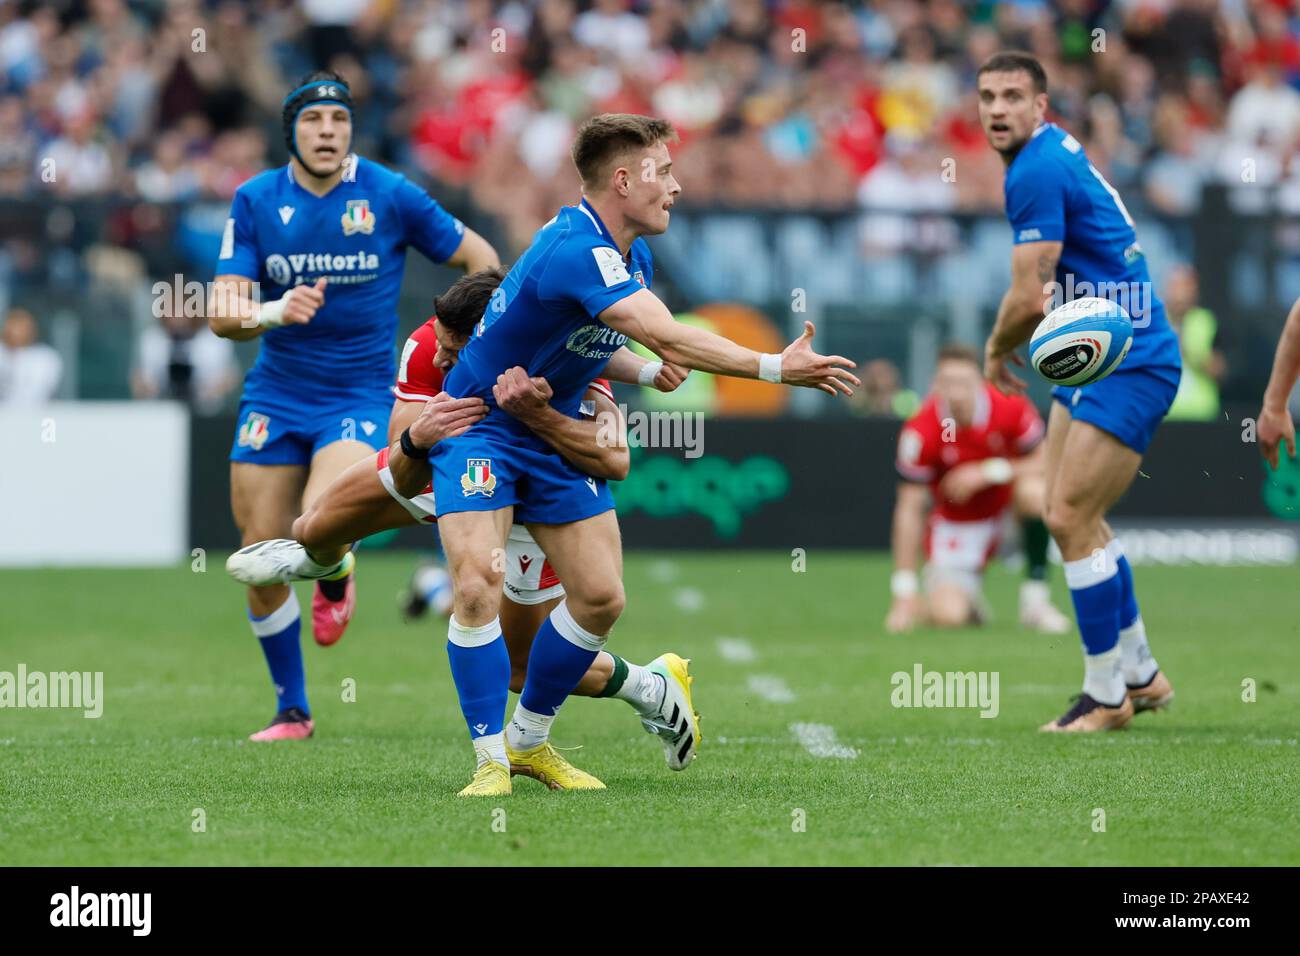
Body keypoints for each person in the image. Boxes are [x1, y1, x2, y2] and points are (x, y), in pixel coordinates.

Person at [428, 113, 859, 796]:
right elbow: (674, 337)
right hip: (481, 424)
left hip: (548, 426)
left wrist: (639, 370)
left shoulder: (629, 253)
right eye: (663, 172)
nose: (677, 187)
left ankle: (528, 744)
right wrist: (777, 366)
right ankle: (489, 763)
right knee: (477, 583)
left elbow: (598, 335)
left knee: (599, 597)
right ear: (623, 181)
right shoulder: (577, 247)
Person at [227, 269, 694, 778]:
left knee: (522, 668)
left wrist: (567, 409)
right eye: (442, 345)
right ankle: (329, 567)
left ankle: (650, 687)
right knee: (311, 526)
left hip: (529, 499)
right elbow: (405, 467)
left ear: (496, 335)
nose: (443, 358)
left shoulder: (560, 351)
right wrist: (419, 436)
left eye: (456, 349)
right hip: (445, 472)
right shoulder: (426, 344)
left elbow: (615, 458)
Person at [206, 70, 500, 741]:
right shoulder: (254, 200)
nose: (328, 131)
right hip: (275, 394)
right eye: (313, 121)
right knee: (259, 551)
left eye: (339, 121)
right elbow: (222, 313)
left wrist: (476, 336)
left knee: (315, 519)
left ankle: (335, 572)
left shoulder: (389, 192)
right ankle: (292, 710)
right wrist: (276, 308)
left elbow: (476, 255)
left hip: (356, 391)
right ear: (292, 132)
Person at [978, 52, 1180, 733]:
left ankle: (1105, 695)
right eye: (987, 97)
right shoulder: (1049, 153)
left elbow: (1030, 294)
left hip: (1130, 356)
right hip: (1102, 352)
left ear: (1041, 106)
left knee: (1065, 516)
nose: (997, 109)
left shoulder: (1034, 169)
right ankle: (1141, 672)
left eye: (1012, 96)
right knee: (1075, 515)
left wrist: (995, 346)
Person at [886, 343, 1070, 634]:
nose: (956, 392)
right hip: (958, 528)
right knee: (949, 617)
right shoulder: (920, 430)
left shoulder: (1009, 405)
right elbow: (909, 508)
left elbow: (1047, 459)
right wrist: (904, 590)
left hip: (1008, 517)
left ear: (980, 382)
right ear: (935, 384)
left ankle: (1035, 603)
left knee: (1035, 493)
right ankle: (963, 600)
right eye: (947, 383)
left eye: (963, 382)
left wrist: (988, 472)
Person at [0, 307, 62, 404]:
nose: (17, 331)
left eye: (22, 325)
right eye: (13, 323)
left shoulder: (46, 357)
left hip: (35, 415)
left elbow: (39, 392)